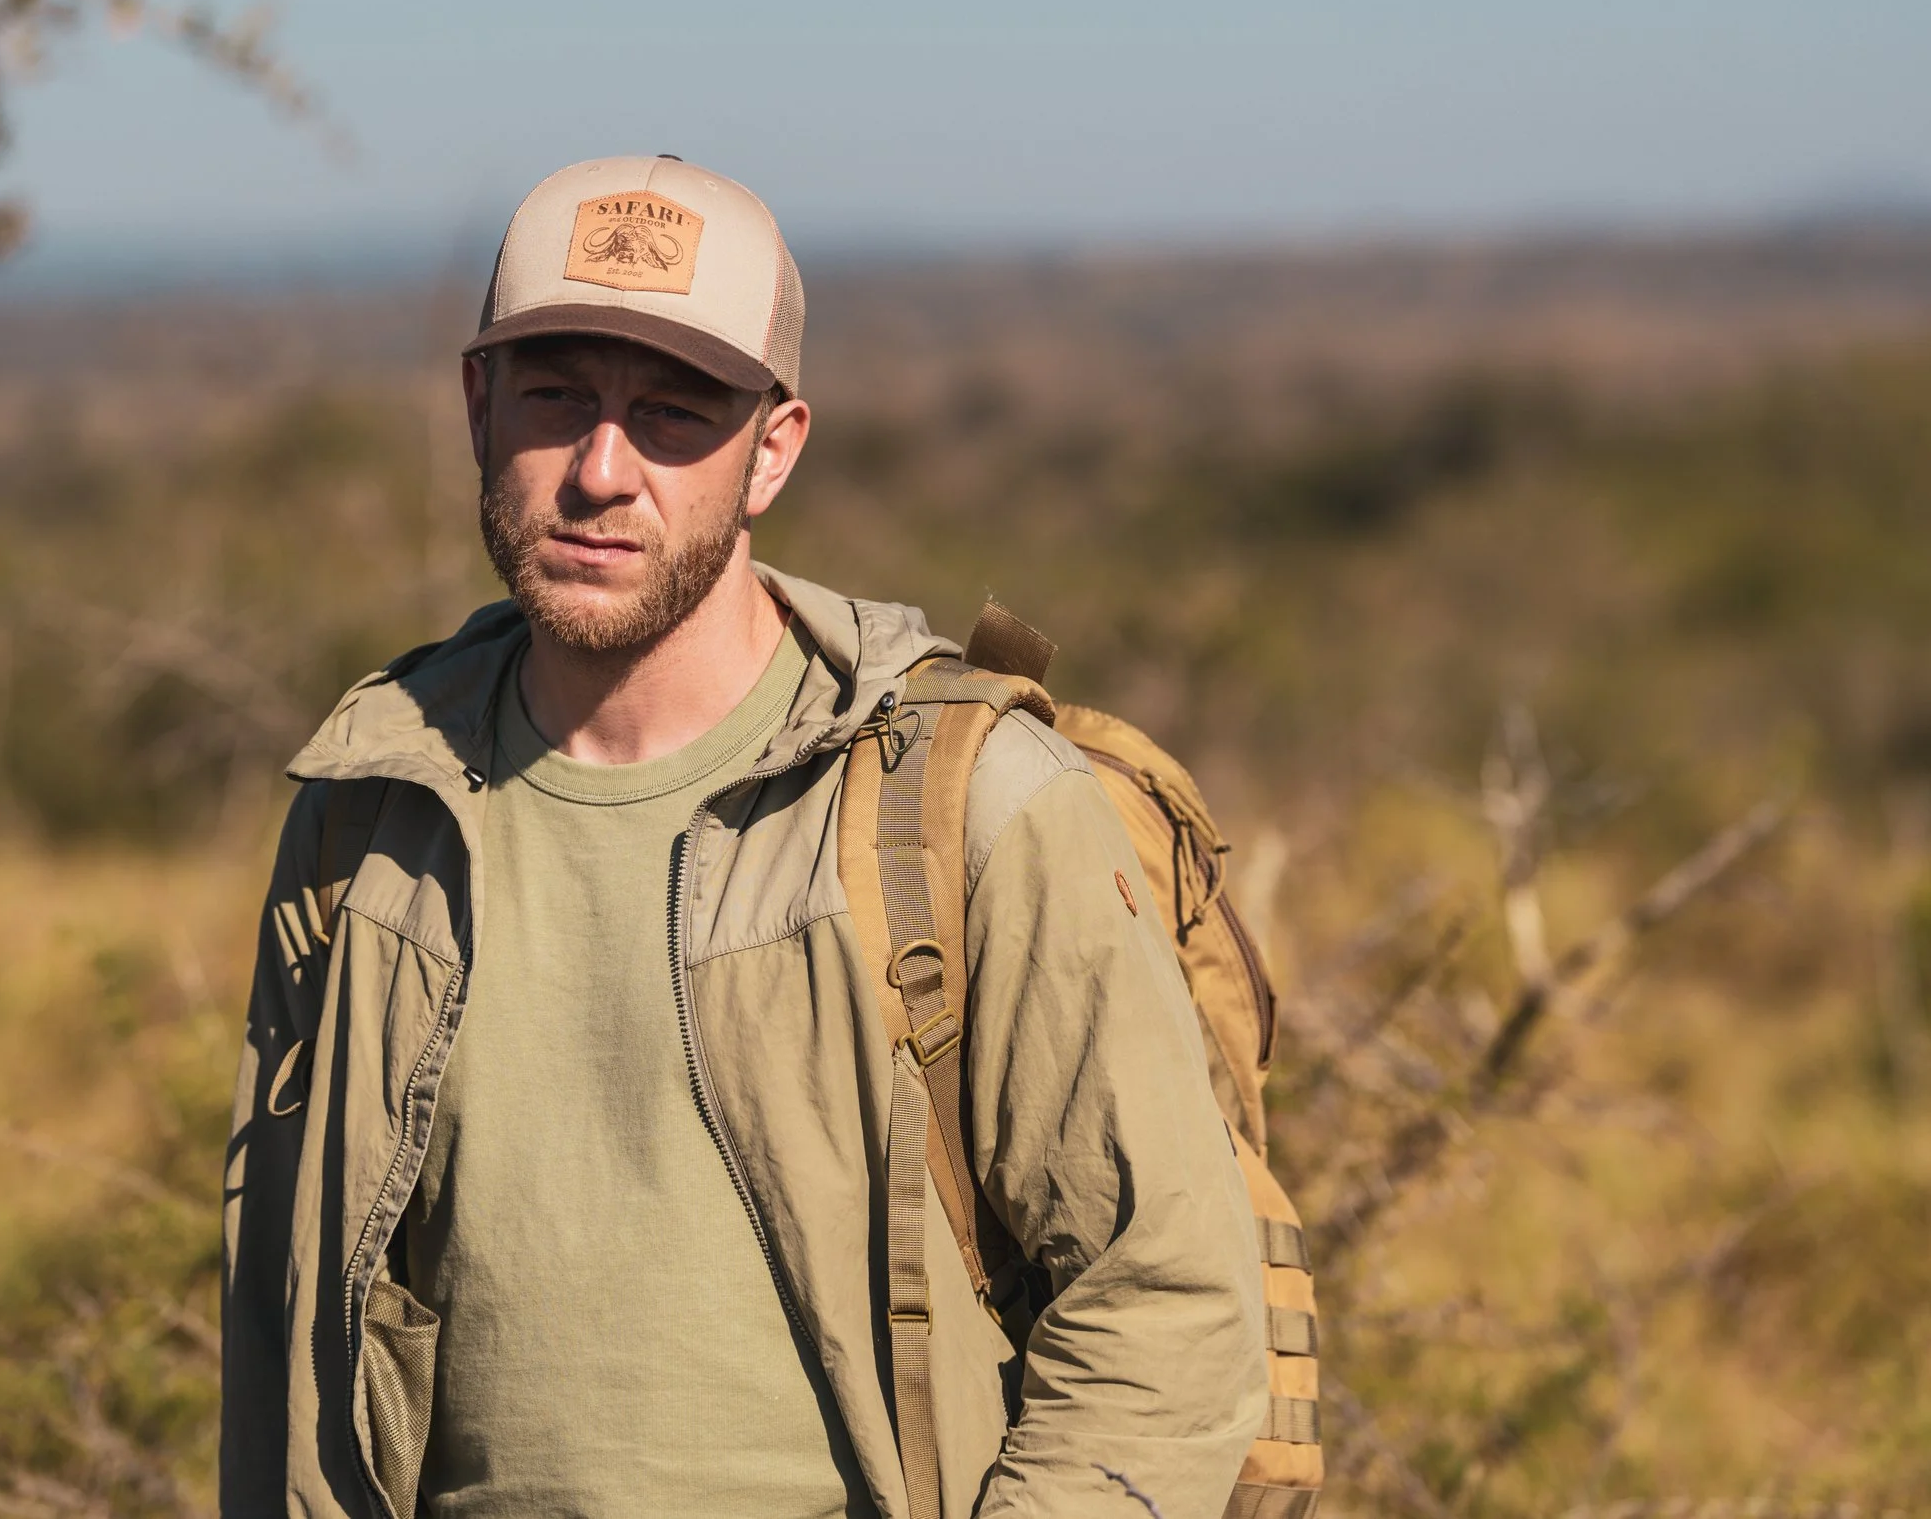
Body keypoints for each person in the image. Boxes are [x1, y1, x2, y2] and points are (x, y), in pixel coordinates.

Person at [221, 156, 1268, 1519]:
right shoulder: (370, 808)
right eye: (557, 397)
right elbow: (283, 1337)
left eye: (672, 414)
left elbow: (1167, 1304)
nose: (602, 472)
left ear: (773, 449)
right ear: (479, 406)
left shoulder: (962, 804)